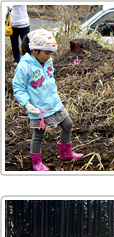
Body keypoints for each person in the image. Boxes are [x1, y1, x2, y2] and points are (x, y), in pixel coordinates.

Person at [12, 29, 83, 171]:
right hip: (38, 108)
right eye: (46, 53)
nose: (49, 56)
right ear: (35, 50)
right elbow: (18, 87)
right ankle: (37, 163)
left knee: (67, 124)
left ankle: (66, 154)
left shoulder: (48, 61)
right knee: (38, 135)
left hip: (54, 103)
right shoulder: (24, 66)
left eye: (51, 53)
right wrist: (27, 104)